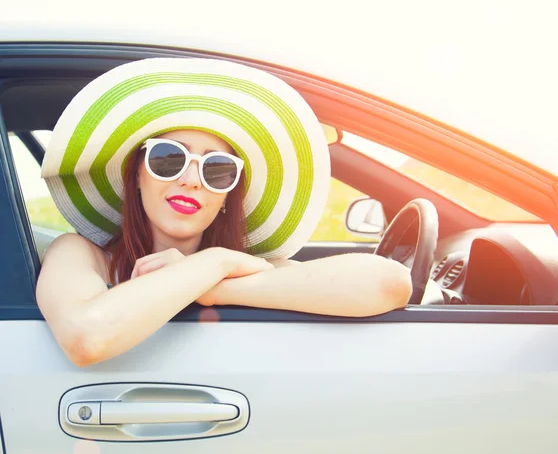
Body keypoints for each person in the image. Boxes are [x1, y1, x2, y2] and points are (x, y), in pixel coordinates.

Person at [36, 58, 412, 367]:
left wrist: (210, 278)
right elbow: (86, 338)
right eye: (169, 159)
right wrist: (208, 267)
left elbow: (389, 283)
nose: (191, 180)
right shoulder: (81, 255)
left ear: (228, 196)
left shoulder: (240, 268)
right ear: (136, 175)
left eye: (217, 169)